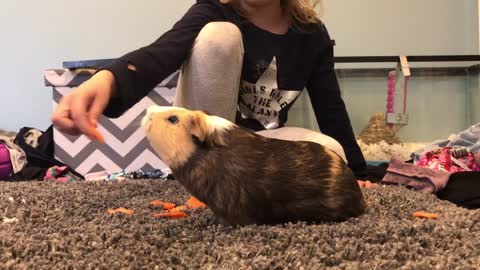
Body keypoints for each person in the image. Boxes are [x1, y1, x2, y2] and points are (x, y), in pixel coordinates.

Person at [51, 0, 369, 180]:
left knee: (333, 155)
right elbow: (160, 54)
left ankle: (234, 178)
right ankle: (204, 175)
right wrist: (107, 79)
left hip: (250, 149)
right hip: (199, 145)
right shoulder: (213, 11)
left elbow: (331, 108)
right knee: (220, 35)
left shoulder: (311, 33)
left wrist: (358, 173)